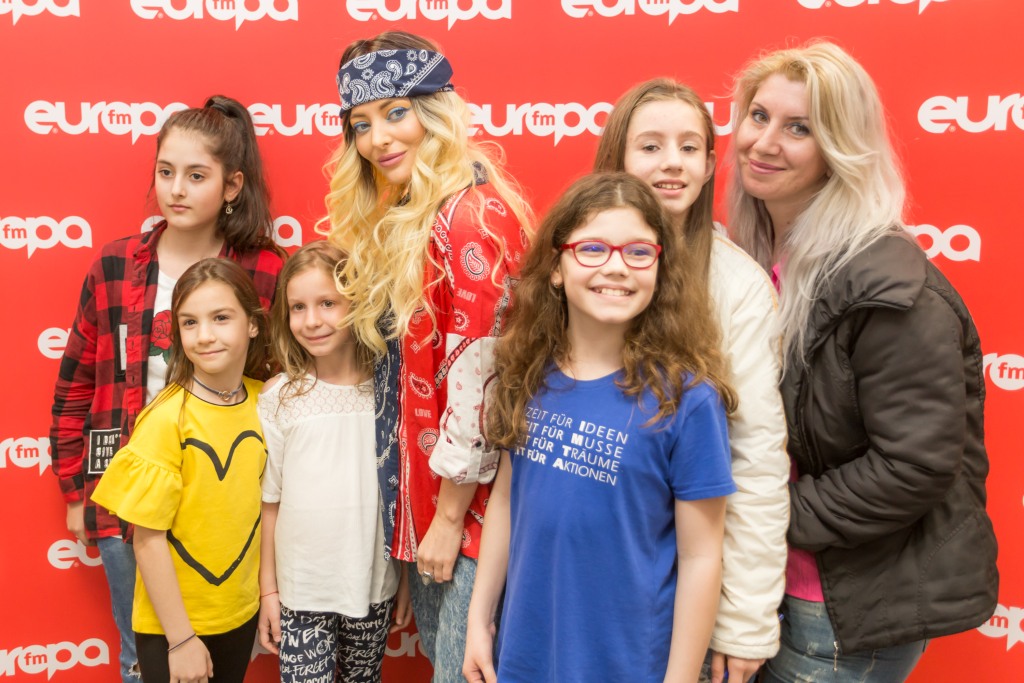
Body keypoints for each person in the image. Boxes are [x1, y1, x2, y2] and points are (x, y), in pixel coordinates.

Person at [729, 41, 998, 682]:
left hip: (838, 613)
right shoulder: (760, 262)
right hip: (767, 587)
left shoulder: (888, 284)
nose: (764, 142)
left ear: (840, 149)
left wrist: (764, 516)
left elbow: (913, 465)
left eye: (799, 128)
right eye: (759, 116)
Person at [464, 172, 737, 683]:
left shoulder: (687, 399)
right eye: (592, 248)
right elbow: (505, 501)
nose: (616, 266)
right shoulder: (527, 370)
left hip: (626, 664)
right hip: (525, 655)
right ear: (555, 268)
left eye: (638, 252)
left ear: (661, 268)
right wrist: (479, 621)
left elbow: (701, 557)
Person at [48, 95, 284, 683]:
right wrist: (75, 489)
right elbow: (75, 381)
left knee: (218, 656)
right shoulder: (113, 266)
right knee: (142, 657)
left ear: (232, 186)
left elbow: (284, 388)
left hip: (223, 504)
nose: (176, 190)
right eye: (165, 172)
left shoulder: (264, 271)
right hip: (129, 503)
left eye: (196, 176)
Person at [324, 31, 532, 682]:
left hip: (471, 518)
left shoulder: (469, 218)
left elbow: (481, 384)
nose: (378, 139)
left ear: (435, 112)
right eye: (361, 123)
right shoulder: (421, 212)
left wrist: (444, 520)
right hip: (437, 508)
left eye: (396, 113)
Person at [594, 78, 790, 683]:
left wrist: (745, 619)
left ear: (709, 164)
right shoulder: (575, 267)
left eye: (689, 147)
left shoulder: (737, 286)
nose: (672, 163)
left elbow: (755, 457)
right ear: (617, 158)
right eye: (651, 146)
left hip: (681, 594)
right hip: (583, 573)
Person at [91, 258, 272, 683]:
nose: (204, 335)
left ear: (252, 324)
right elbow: (148, 541)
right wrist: (182, 640)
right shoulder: (166, 418)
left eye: (221, 318)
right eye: (190, 323)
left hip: (239, 613)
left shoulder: (265, 401)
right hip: (176, 629)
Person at [256, 240, 411, 683]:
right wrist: (269, 590)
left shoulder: (391, 394)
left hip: (372, 585)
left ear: (358, 304)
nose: (311, 321)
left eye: (327, 303)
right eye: (298, 307)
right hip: (300, 592)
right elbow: (270, 502)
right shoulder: (281, 396)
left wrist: (404, 579)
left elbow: (399, 499)